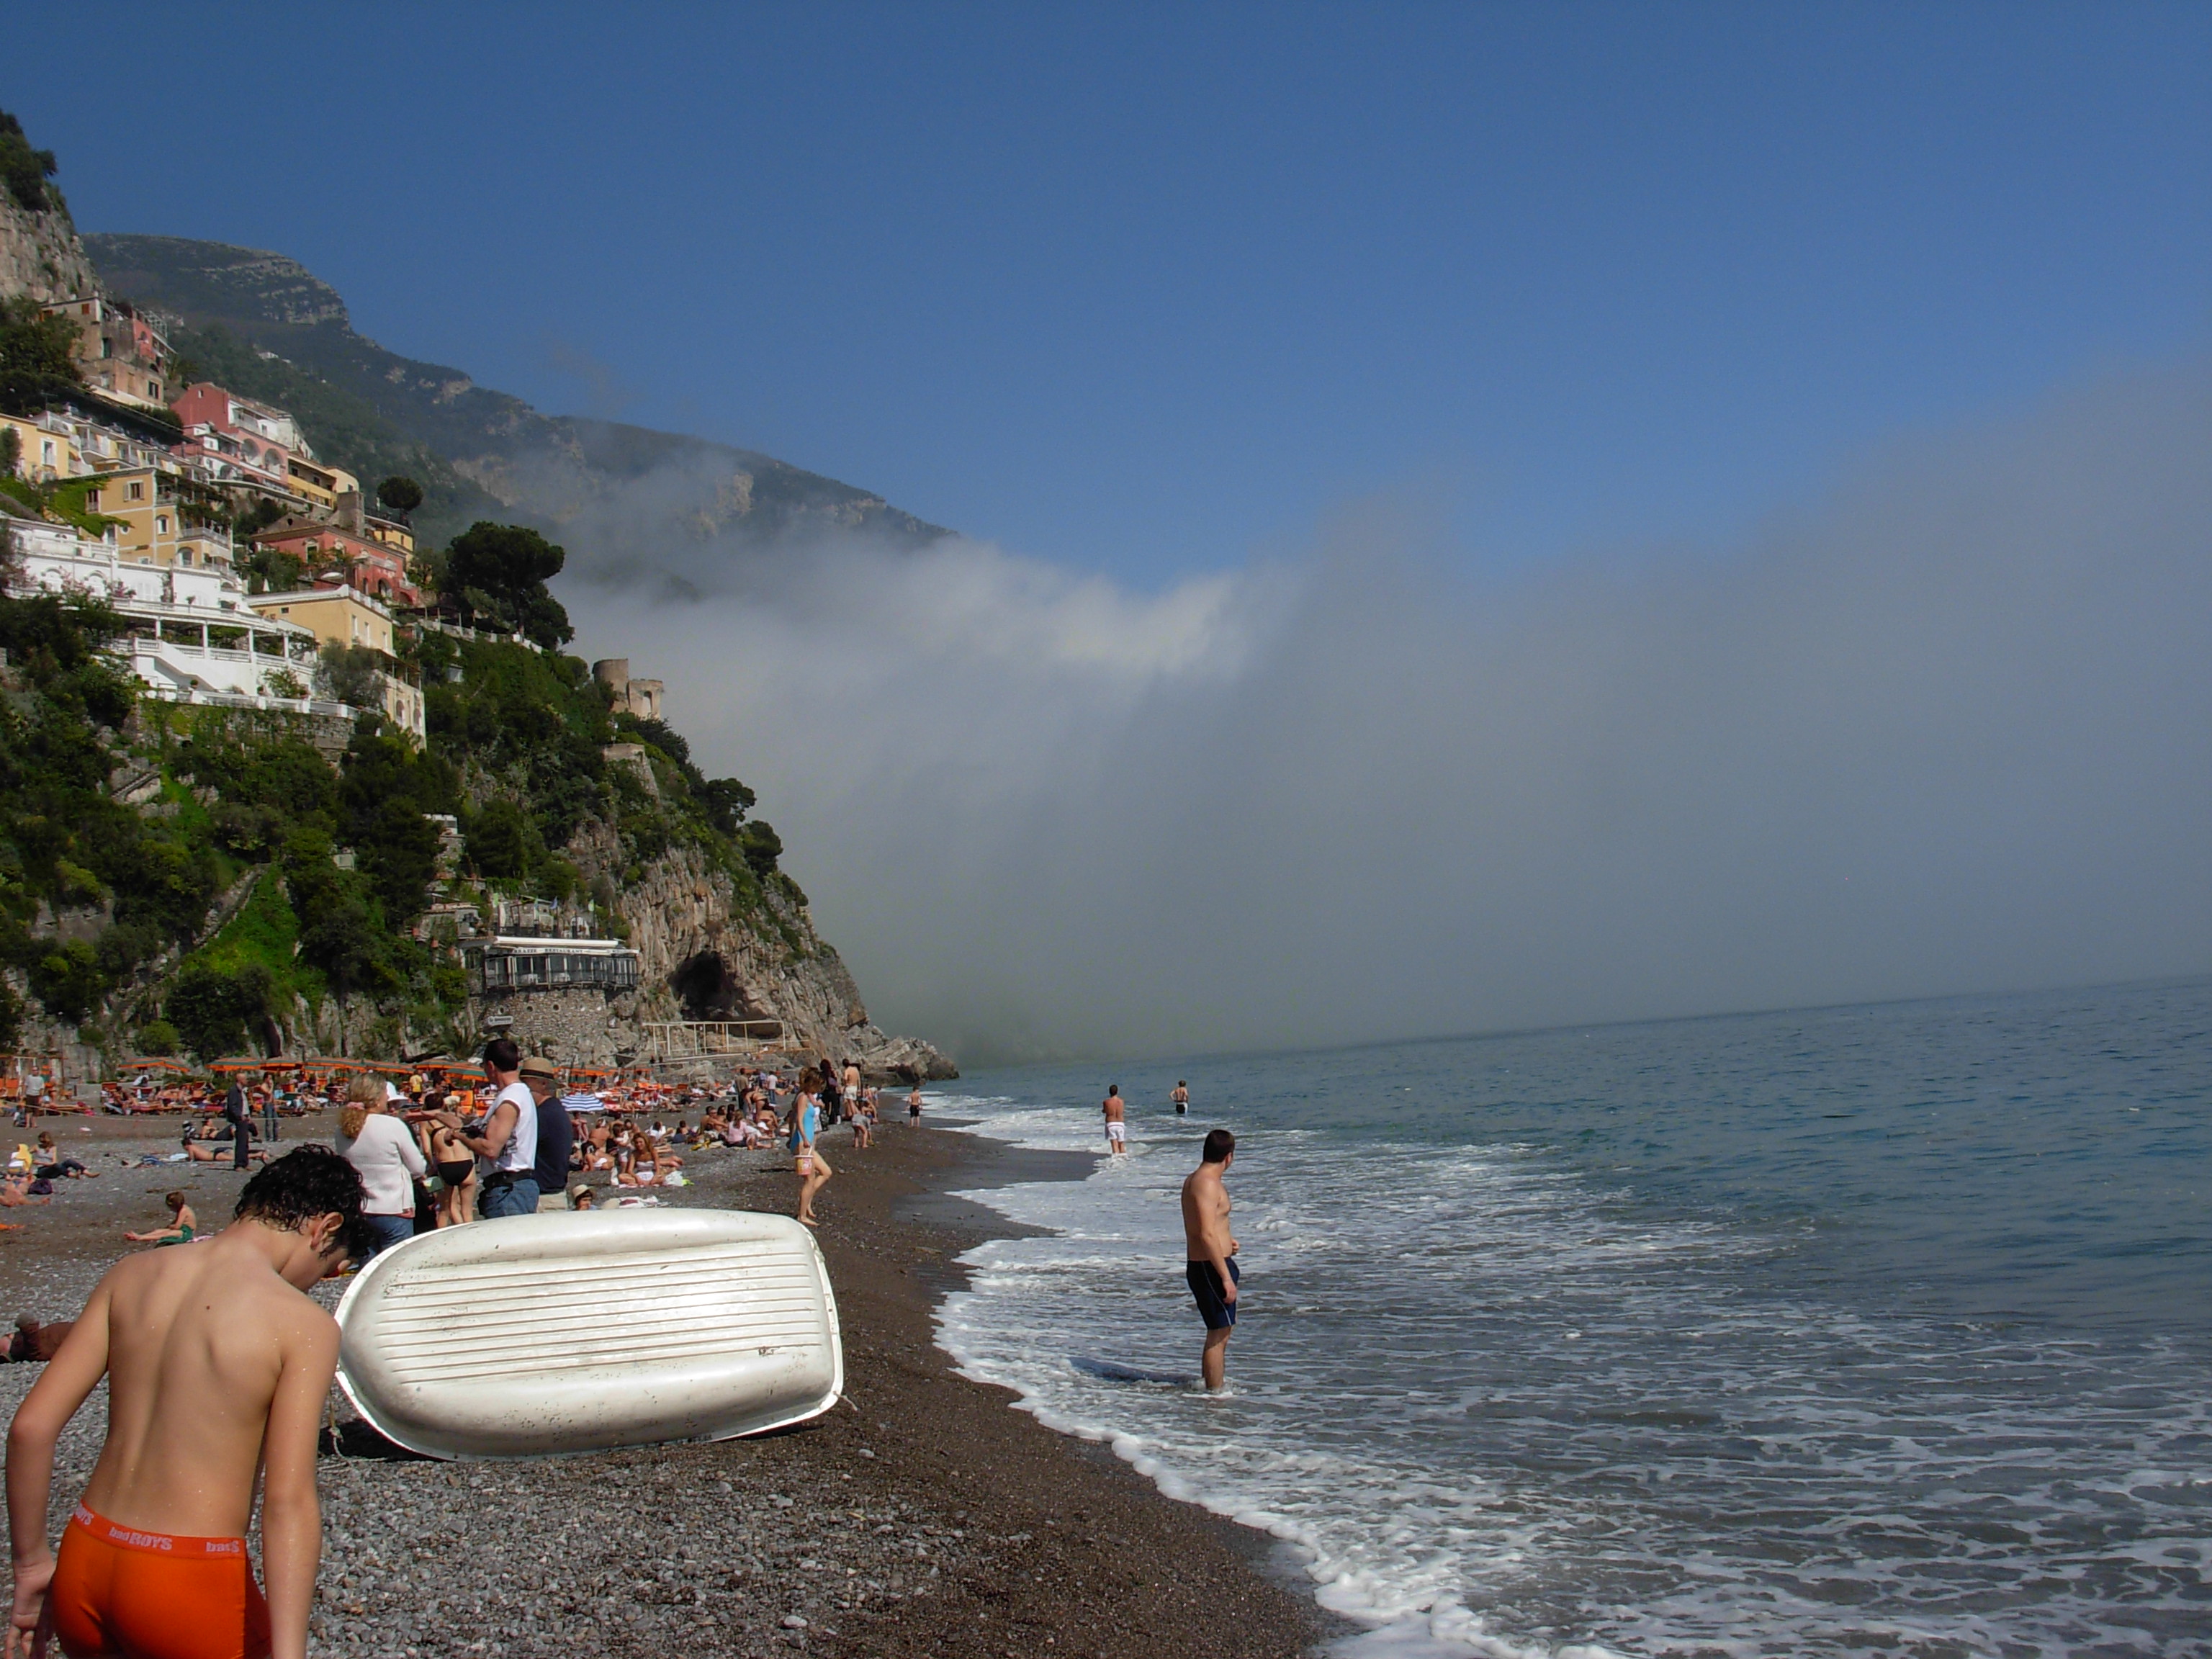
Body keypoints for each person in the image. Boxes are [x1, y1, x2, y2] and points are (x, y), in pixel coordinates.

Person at [6, 1148, 369, 1659]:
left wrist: (29, 1565)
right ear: (325, 1227)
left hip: (87, 1556)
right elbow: (288, 1504)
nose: (313, 1281)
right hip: (188, 1577)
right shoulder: (301, 1324)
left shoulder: (131, 1274)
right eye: (328, 1267)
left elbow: (30, 1428)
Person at [438, 1039, 537, 1219]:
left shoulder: (510, 1099)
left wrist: (458, 1135)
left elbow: (491, 1149)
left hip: (508, 1189)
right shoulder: (520, 1094)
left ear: (491, 1066)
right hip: (515, 1187)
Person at [335, 1077, 426, 1256]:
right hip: (394, 1208)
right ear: (376, 1098)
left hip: (360, 1207)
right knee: (396, 1262)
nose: (387, 1098)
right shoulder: (392, 1125)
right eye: (385, 1093)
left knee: (368, 1264)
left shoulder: (342, 1129)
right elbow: (417, 1168)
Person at [1181, 1129, 1240, 1392]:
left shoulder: (1200, 1180)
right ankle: (1215, 1395)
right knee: (1219, 1334)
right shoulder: (1206, 1183)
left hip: (1211, 1264)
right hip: (1210, 1268)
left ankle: (1212, 1388)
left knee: (1220, 1331)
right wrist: (1225, 1277)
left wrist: (1228, 1242)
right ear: (1229, 1157)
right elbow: (1205, 1233)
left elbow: (1209, 1226)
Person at [522, 1058, 573, 1213]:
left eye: (526, 1084)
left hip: (543, 1199)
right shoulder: (554, 1110)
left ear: (543, 1084)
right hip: (551, 1194)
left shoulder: (543, 1115)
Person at [792, 1078, 831, 1227]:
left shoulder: (807, 1097)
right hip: (803, 1143)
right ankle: (802, 1216)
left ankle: (807, 1202)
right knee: (809, 1179)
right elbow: (799, 1120)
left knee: (826, 1172)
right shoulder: (802, 1098)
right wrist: (804, 1139)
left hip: (807, 1143)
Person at [122, 1193, 195, 1247]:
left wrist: (170, 1226)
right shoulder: (182, 1209)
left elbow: (177, 1226)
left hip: (187, 1232)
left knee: (167, 1234)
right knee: (158, 1231)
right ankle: (140, 1236)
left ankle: (142, 1238)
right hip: (182, 1230)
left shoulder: (183, 1211)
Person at [222, 1074, 253, 1172]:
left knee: (245, 1141)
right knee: (241, 1141)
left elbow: (245, 1105)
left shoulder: (242, 1091)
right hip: (239, 1119)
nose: (247, 1080)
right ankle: (239, 1164)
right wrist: (240, 1115)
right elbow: (232, 1106)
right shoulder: (233, 1091)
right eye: (245, 1079)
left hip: (245, 1118)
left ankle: (245, 1162)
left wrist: (248, 1116)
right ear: (240, 1080)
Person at [1102, 1085, 1127, 1156]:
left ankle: (1116, 1159)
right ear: (1117, 1092)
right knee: (1121, 1143)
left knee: (1114, 1143)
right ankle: (1124, 1158)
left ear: (1109, 1092)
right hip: (1120, 1123)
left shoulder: (1106, 1102)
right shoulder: (1121, 1101)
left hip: (1111, 1123)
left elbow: (1105, 1111)